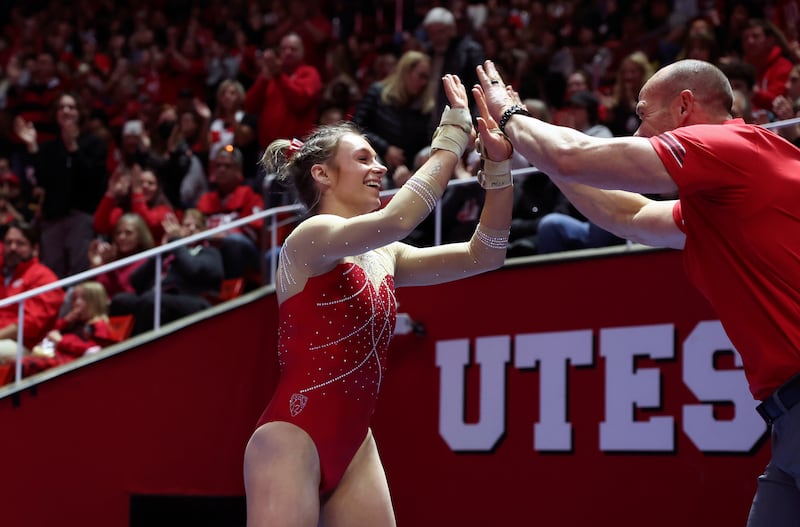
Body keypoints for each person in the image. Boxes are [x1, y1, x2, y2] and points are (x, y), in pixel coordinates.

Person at [474, 58, 800, 526]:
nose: (639, 130)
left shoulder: (725, 144)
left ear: (684, 106)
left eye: (644, 114)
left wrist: (510, 113)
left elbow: (574, 155)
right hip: (786, 421)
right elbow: (628, 216)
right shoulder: (727, 190)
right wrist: (538, 153)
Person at [244, 74, 514, 526]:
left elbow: (485, 254)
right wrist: (452, 135)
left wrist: (499, 167)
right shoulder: (310, 238)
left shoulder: (385, 254)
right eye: (363, 158)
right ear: (322, 173)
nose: (380, 168)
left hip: (354, 444)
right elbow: (398, 219)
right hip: (291, 438)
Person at [14, 92, 108, 278]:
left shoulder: (93, 143)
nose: (66, 111)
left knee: (79, 272)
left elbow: (93, 179)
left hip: (81, 216)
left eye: (71, 107)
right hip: (53, 218)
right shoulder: (49, 147)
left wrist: (73, 148)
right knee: (51, 272)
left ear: (79, 113)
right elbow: (40, 181)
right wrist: (32, 147)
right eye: (61, 107)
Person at [109, 209, 223, 336]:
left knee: (151, 300)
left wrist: (176, 242)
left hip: (195, 301)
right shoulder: (171, 253)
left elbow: (193, 270)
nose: (191, 229)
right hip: (160, 299)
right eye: (186, 225)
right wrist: (163, 251)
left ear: (204, 231)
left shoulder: (209, 252)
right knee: (121, 300)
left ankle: (146, 348)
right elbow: (135, 281)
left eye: (197, 226)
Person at [352, 50, 435, 190]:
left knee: (430, 153)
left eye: (427, 78)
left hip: (408, 168)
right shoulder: (377, 93)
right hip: (377, 156)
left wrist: (411, 173)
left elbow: (425, 142)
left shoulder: (425, 107)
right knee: (366, 161)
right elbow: (355, 127)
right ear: (406, 72)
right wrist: (385, 149)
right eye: (421, 76)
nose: (424, 83)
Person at [244, 32, 323, 150]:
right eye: (284, 49)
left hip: (297, 150)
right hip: (268, 150)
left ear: (303, 52)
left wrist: (278, 75)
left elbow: (300, 102)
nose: (288, 52)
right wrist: (264, 79)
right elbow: (249, 106)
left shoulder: (309, 73)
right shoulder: (270, 75)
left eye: (293, 49)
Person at [196, 145, 263, 280]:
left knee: (234, 241)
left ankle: (231, 289)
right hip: (210, 252)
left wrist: (223, 235)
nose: (221, 170)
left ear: (238, 170)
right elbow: (194, 226)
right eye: (218, 166)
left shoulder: (250, 196)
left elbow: (255, 231)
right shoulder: (206, 199)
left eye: (227, 166)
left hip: (242, 253)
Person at [0, 220, 64, 362]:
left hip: (25, 346)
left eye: (20, 243)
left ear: (35, 249)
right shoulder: (2, 273)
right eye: (8, 242)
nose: (12, 248)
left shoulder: (44, 278)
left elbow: (28, 325)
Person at [26, 280, 115, 376]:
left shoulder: (99, 325)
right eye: (75, 298)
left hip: (70, 367)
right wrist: (66, 320)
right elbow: (54, 331)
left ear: (95, 302)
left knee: (27, 365)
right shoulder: (76, 322)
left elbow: (94, 350)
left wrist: (61, 341)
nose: (77, 303)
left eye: (83, 298)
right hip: (57, 359)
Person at [93, 165, 175, 243]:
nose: (145, 186)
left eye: (150, 183)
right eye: (140, 182)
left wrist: (137, 190)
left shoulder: (164, 211)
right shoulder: (122, 211)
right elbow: (100, 226)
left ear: (158, 188)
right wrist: (111, 192)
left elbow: (145, 225)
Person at [89, 212, 154, 300]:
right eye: (118, 233)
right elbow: (94, 290)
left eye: (128, 233)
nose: (121, 237)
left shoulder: (146, 262)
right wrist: (95, 266)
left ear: (140, 236)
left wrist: (110, 268)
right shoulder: (112, 260)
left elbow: (126, 297)